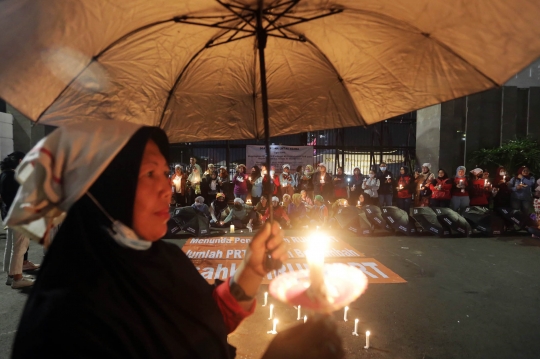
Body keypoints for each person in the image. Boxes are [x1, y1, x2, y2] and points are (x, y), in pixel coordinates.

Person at [8, 122, 345, 359]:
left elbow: (200, 320)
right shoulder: (67, 323)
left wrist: (251, 271)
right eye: (149, 174)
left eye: (165, 173)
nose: (168, 187)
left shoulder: (162, 260)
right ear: (102, 190)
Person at [0, 152, 37, 289]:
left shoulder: (4, 174)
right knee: (19, 248)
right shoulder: (14, 177)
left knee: (13, 247)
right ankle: (17, 279)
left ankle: (13, 275)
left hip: (10, 214)